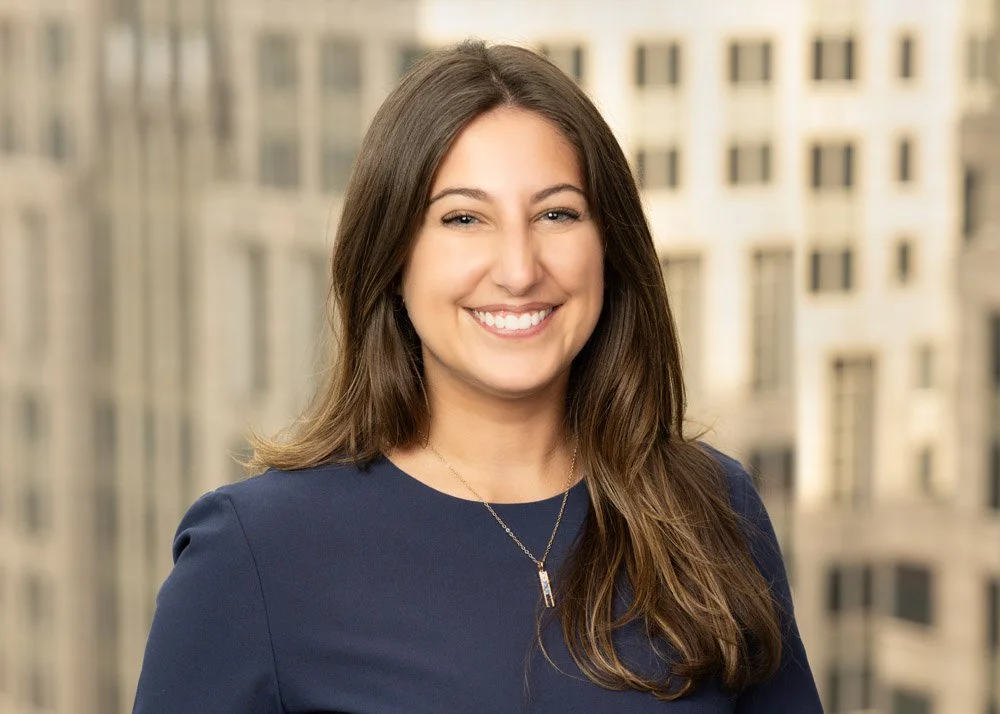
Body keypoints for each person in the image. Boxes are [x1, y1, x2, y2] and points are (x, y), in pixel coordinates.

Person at [133, 40, 822, 712]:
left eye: (557, 214)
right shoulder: (255, 556)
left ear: (609, 247)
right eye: (464, 218)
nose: (519, 269)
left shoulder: (712, 508)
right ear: (392, 257)